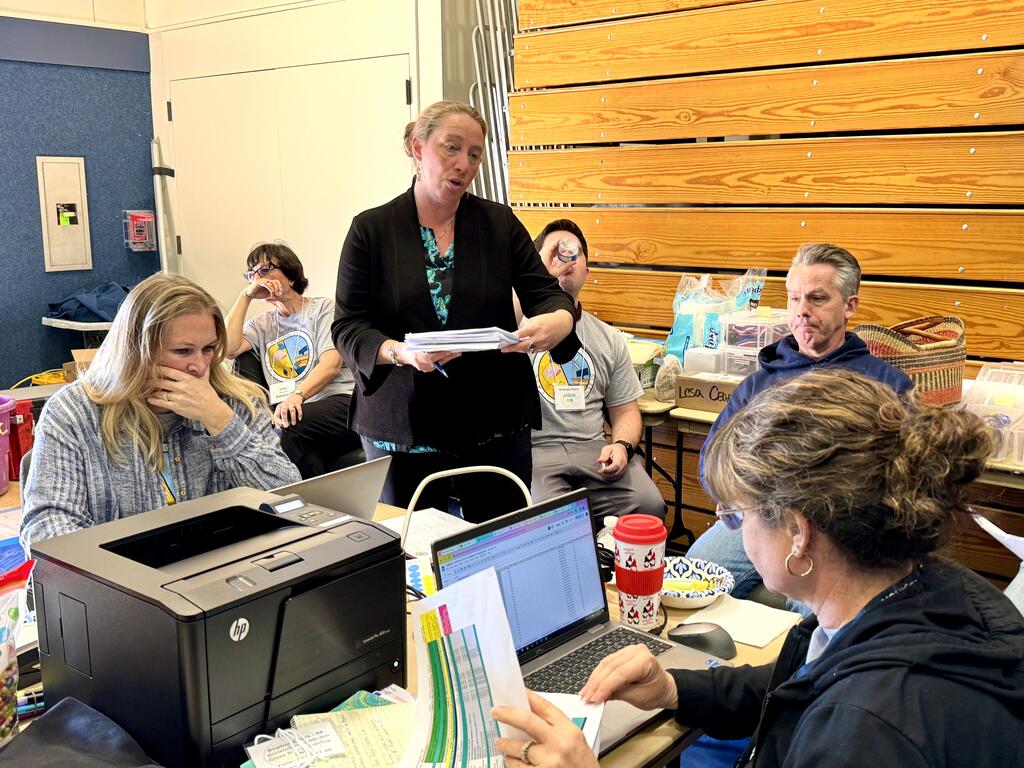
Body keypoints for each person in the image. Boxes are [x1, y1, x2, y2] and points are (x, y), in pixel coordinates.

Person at [492, 370, 1024, 768]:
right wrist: (672, 689)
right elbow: (797, 682)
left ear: (798, 533)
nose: (734, 530)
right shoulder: (932, 590)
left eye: (735, 515)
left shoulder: (866, 732)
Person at [332, 100, 578, 522]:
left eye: (475, 154)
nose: (464, 164)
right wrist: (399, 352)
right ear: (418, 147)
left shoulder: (499, 224)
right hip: (403, 426)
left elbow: (545, 295)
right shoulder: (370, 230)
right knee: (411, 548)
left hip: (492, 420)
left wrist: (559, 319)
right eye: (451, 148)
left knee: (501, 540)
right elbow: (348, 326)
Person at [689, 243, 913, 597]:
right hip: (761, 516)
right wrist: (743, 508)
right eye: (794, 299)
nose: (802, 311)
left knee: (820, 600)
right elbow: (712, 460)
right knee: (695, 576)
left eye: (817, 298)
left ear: (850, 305)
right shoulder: (758, 384)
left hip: (840, 536)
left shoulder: (886, 385)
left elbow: (905, 475)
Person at [20, 273, 301, 549]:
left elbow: (289, 501)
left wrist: (221, 422)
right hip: (122, 574)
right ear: (135, 349)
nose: (199, 366)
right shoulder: (73, 412)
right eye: (183, 351)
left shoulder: (237, 401)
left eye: (208, 349)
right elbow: (47, 528)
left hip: (226, 566)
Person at [524, 218, 665, 522]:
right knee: (550, 522)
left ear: (587, 272)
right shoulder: (518, 328)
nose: (565, 259)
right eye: (555, 251)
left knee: (649, 505)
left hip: (594, 450)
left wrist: (622, 446)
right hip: (537, 451)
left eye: (573, 253)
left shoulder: (608, 338)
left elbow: (626, 412)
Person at [225, 242, 361, 478]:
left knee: (289, 424)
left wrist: (298, 395)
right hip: (292, 409)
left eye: (265, 270)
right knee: (292, 438)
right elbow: (228, 349)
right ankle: (304, 497)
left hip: (340, 401)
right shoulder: (262, 324)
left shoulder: (323, 308)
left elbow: (331, 365)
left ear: (290, 275)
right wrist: (244, 296)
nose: (257, 279)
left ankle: (279, 489)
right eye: (251, 274)